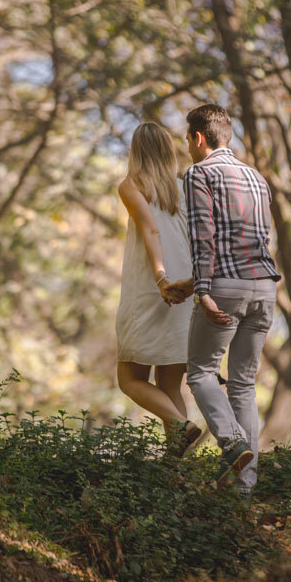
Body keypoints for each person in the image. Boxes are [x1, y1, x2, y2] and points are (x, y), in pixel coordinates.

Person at [169, 104, 280, 495]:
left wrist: (202, 291)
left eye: (187, 140)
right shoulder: (257, 178)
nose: (187, 147)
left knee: (200, 372)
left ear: (199, 138)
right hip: (265, 288)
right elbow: (256, 241)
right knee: (244, 385)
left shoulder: (200, 173)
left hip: (225, 288)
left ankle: (232, 443)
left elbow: (204, 236)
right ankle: (243, 489)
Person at [115, 122, 203, 456]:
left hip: (155, 291)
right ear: (167, 151)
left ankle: (181, 428)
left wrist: (161, 279)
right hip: (186, 290)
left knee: (129, 380)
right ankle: (182, 472)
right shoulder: (182, 188)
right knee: (169, 385)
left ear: (135, 151)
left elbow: (151, 231)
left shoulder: (131, 185)